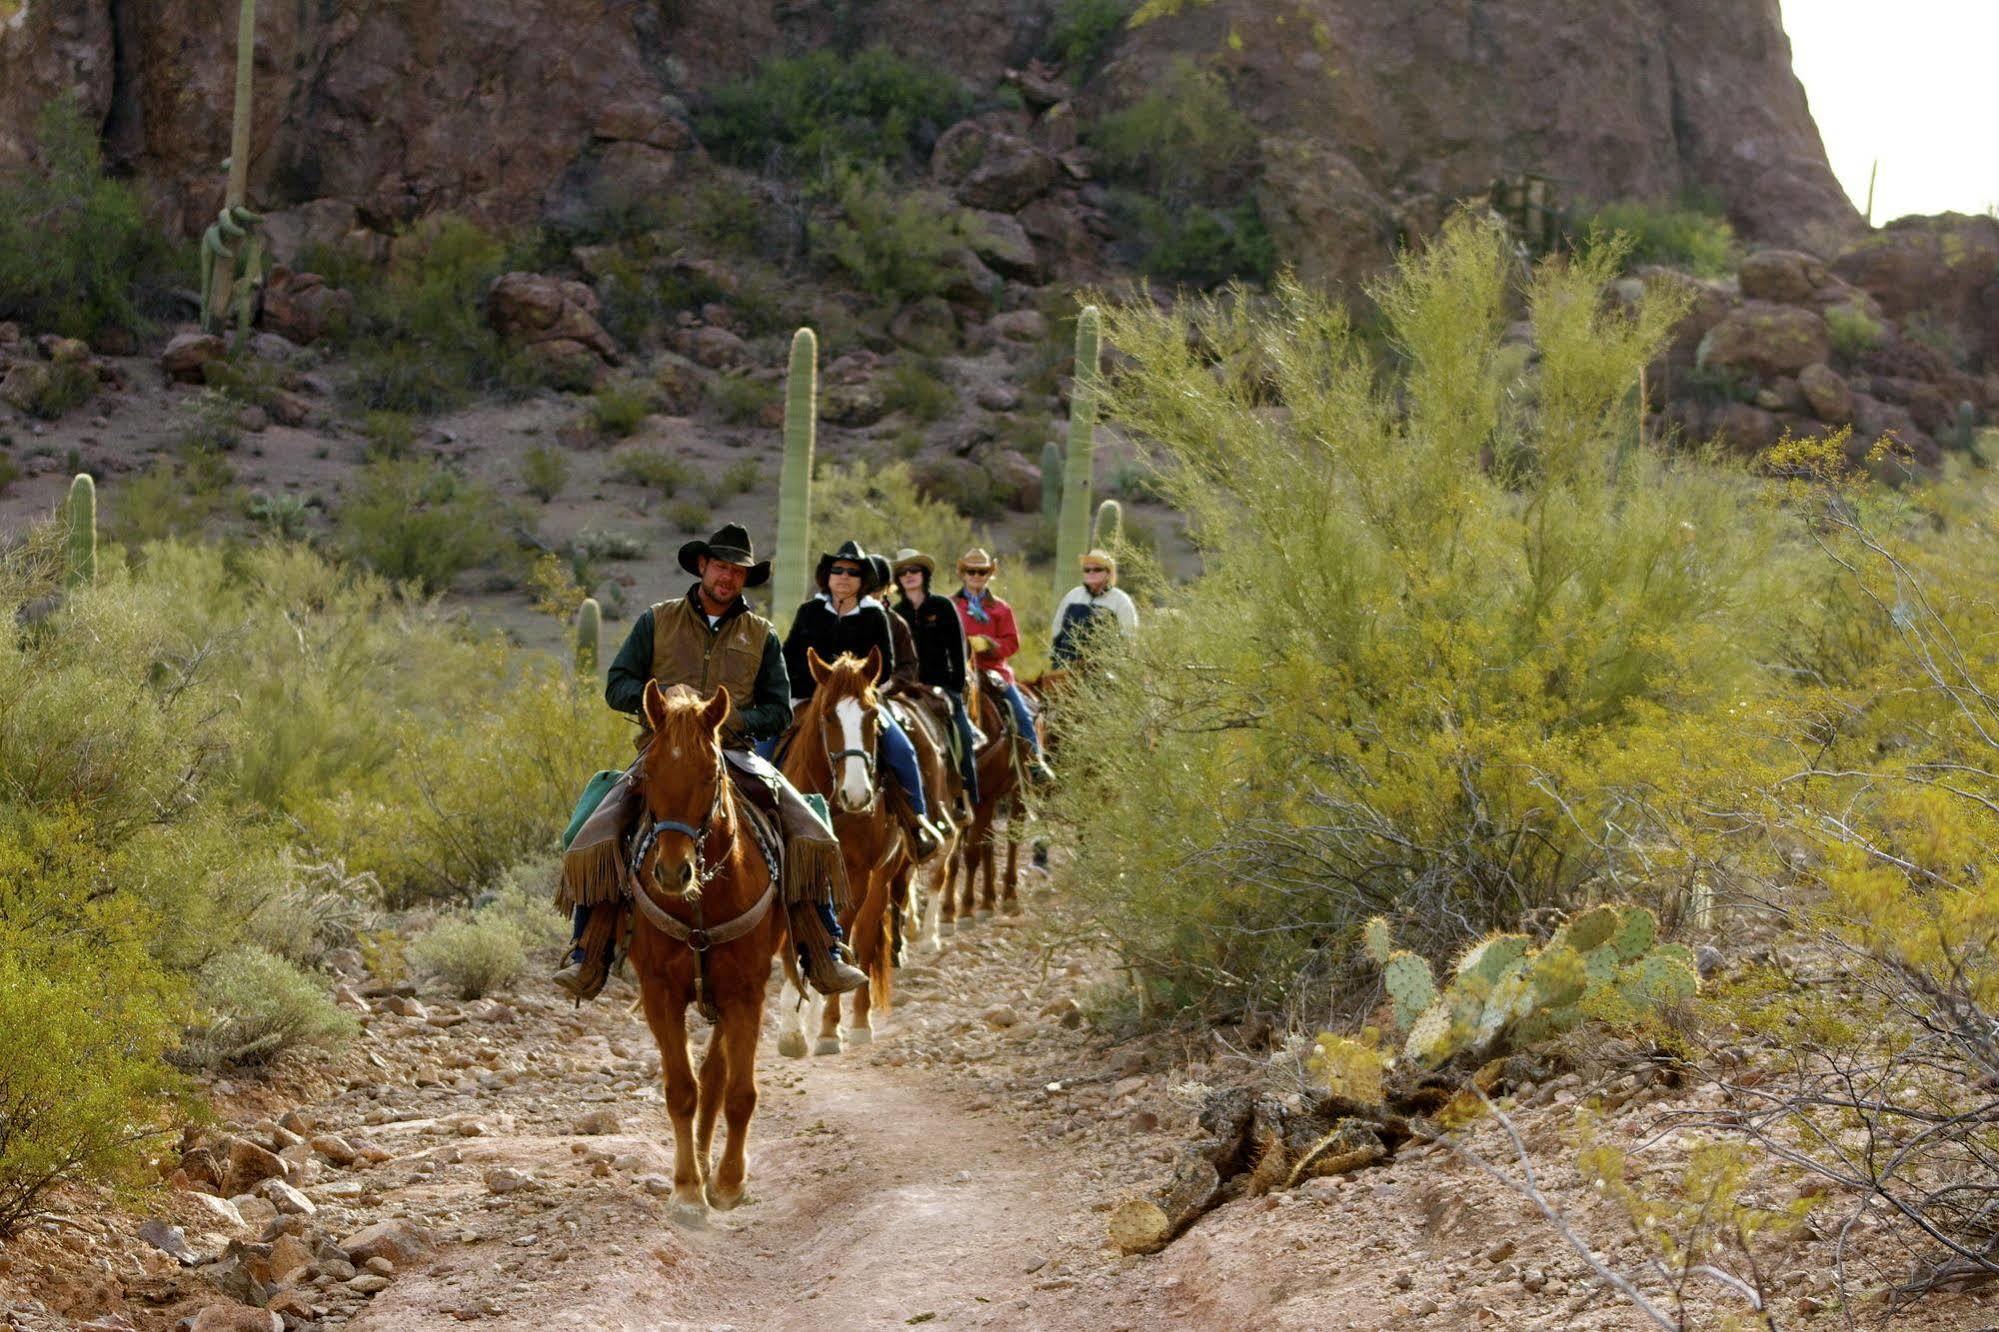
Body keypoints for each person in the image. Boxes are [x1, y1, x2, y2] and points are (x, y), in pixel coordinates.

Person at [552, 523, 868, 1001]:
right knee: (593, 825)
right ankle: (588, 950)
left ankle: (824, 948)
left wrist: (724, 717)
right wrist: (659, 703)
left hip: (734, 753)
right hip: (661, 751)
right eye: (721, 566)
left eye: (739, 571)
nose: (728, 577)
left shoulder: (760, 634)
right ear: (702, 566)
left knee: (810, 825)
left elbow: (780, 710)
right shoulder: (657, 620)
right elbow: (617, 683)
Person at [779, 540, 946, 860]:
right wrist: (818, 689)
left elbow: (883, 666)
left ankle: (917, 820)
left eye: (852, 572)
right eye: (837, 570)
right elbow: (789, 659)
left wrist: (855, 688)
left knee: (903, 748)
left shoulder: (874, 616)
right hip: (810, 700)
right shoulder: (809, 612)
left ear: (863, 580)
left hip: (861, 701)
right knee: (764, 746)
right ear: (827, 576)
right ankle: (759, 815)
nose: (843, 576)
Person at [950, 548, 1055, 784]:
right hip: (960, 670)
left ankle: (1035, 761)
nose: (976, 576)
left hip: (994, 672)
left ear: (989, 575)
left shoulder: (1001, 608)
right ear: (963, 574)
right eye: (971, 571)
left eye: (982, 571)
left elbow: (1012, 643)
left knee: (1020, 711)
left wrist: (990, 646)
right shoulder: (950, 605)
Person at [890, 547, 981, 804]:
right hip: (907, 687)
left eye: (914, 570)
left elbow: (959, 649)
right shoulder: (897, 613)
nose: (909, 575)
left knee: (961, 732)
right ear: (898, 579)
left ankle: (966, 789)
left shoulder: (943, 606)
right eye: (903, 572)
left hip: (943, 686)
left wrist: (954, 685)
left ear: (924, 574)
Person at [1051, 548, 1139, 667]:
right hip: (1066, 667)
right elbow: (1057, 630)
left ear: (1108, 573)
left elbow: (1129, 638)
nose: (1091, 573)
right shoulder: (1072, 596)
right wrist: (1056, 661)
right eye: (1087, 570)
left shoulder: (1121, 601)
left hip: (1103, 672)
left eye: (1097, 569)